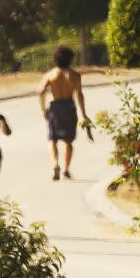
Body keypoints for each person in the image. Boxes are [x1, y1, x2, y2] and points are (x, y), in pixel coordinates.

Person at [38, 45, 89, 181]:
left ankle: (55, 164)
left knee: (52, 139)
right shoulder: (75, 75)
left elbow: (41, 91)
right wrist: (84, 115)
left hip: (55, 107)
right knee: (68, 141)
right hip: (69, 107)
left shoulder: (50, 75)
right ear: (70, 59)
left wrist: (43, 109)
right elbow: (79, 95)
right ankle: (66, 170)